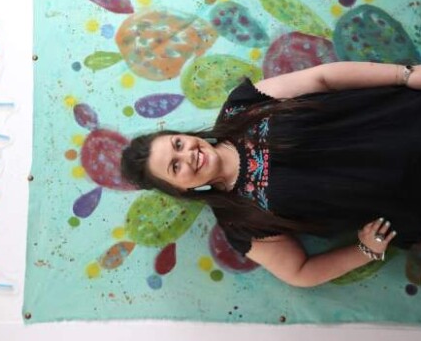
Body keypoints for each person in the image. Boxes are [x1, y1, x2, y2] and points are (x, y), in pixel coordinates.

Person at [121, 61, 421, 287]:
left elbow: (323, 78)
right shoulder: (240, 223)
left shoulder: (242, 106)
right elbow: (299, 272)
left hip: (406, 118)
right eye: (175, 166)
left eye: (178, 144)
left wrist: (405, 74)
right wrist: (365, 250)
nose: (188, 155)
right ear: (180, 190)